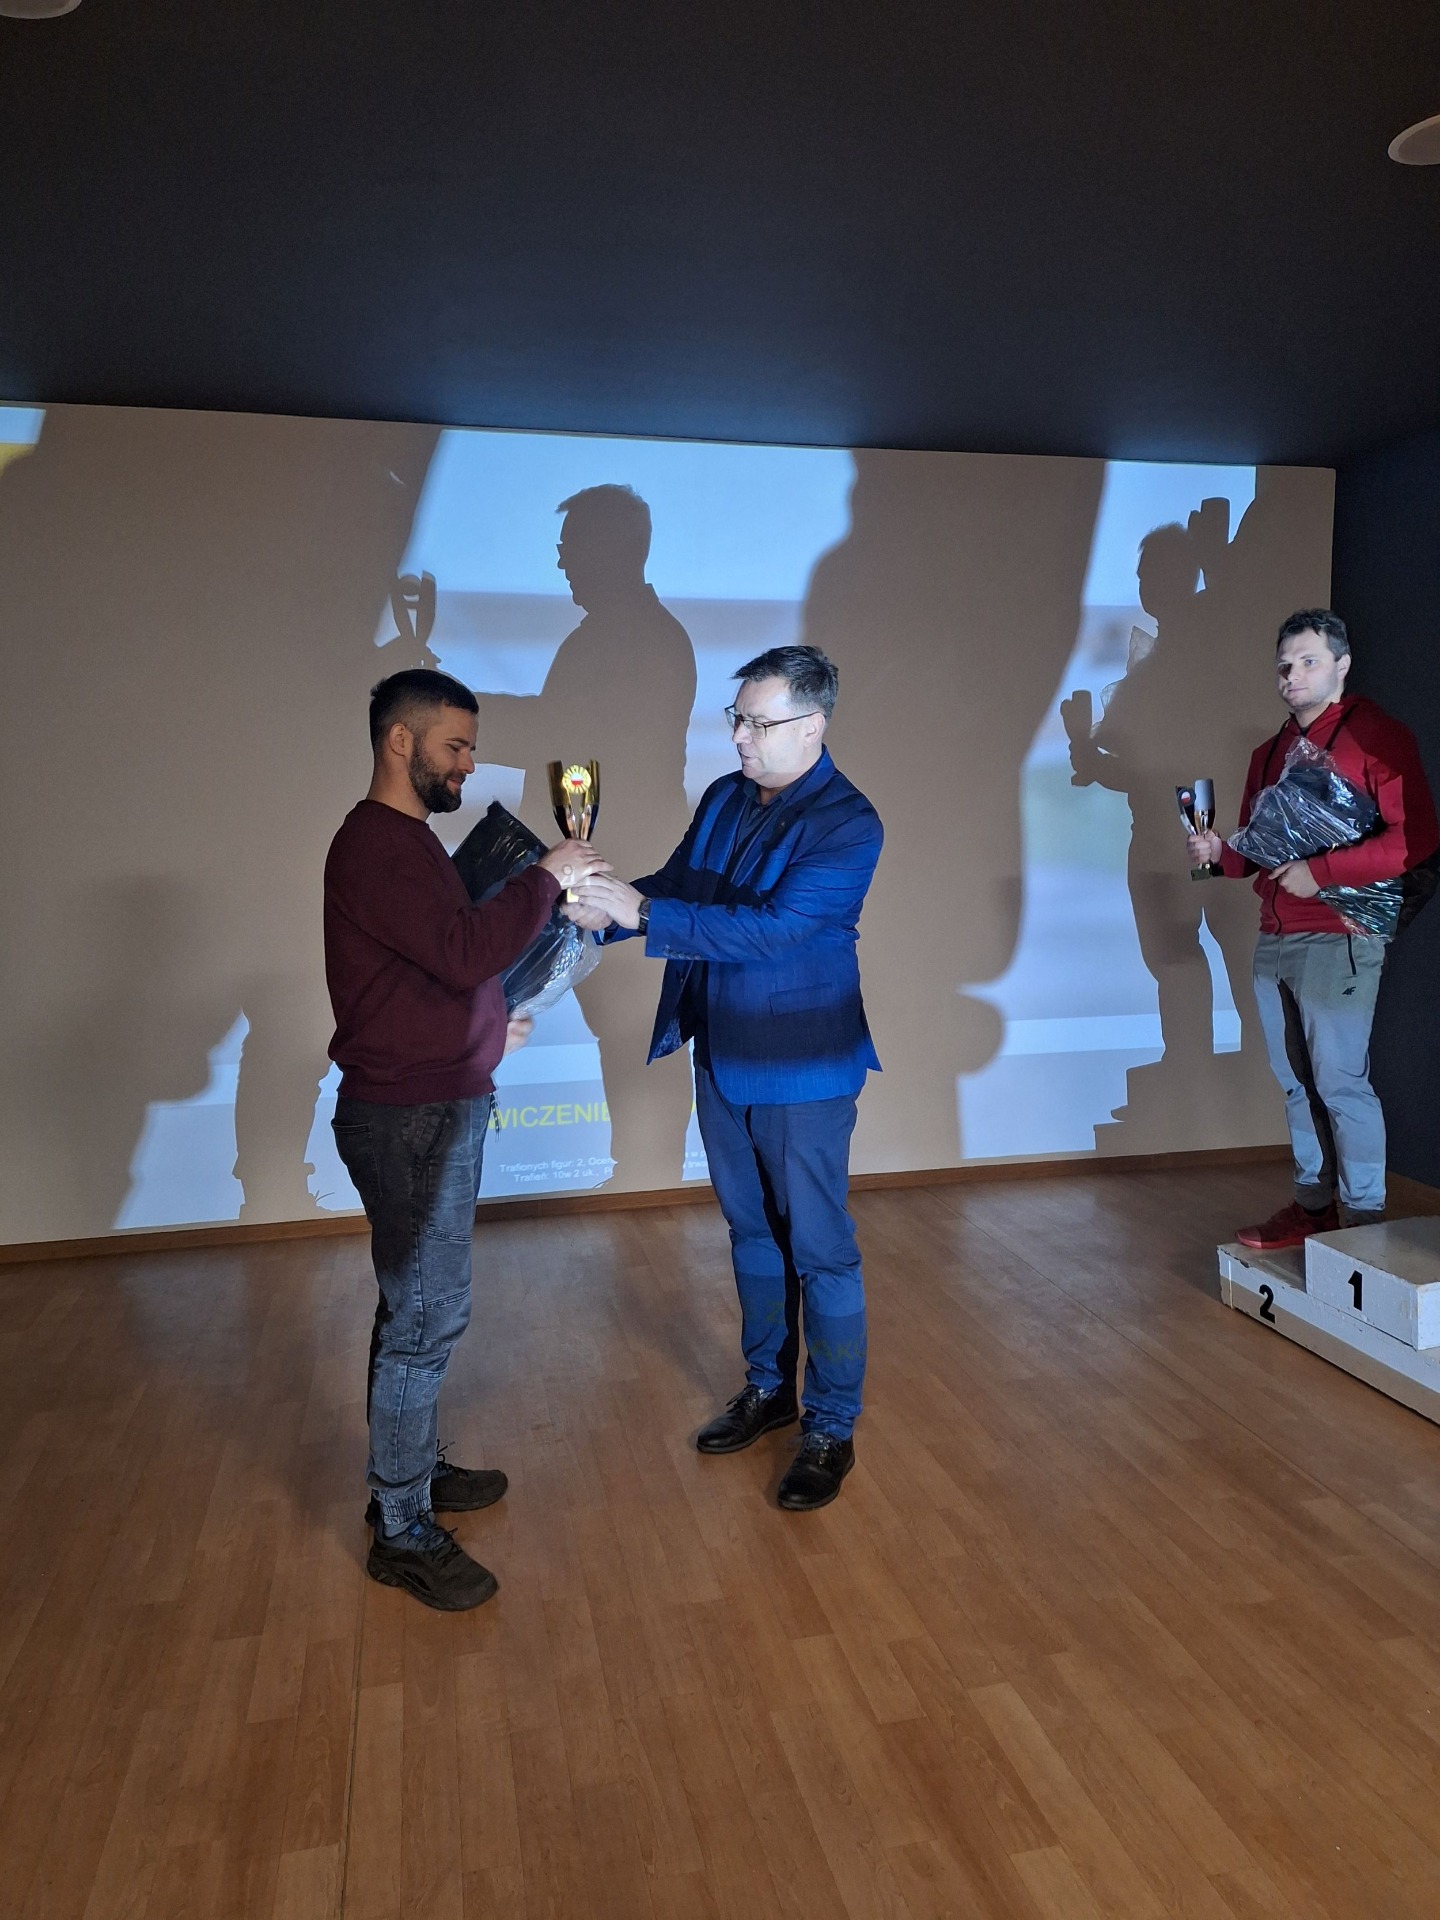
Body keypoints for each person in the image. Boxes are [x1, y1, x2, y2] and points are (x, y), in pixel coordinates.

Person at [569, 645, 883, 1511]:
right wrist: (598, 908)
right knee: (751, 1234)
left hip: (804, 1067)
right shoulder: (723, 797)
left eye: (757, 722)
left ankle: (831, 1425)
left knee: (820, 1250)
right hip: (722, 1050)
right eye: (736, 719)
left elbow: (772, 931)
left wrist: (643, 912)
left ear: (812, 726)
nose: (739, 736)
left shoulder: (849, 823)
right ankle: (768, 1389)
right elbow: (680, 887)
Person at [324, 667, 607, 1608]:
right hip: (411, 1120)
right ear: (399, 741)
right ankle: (403, 1530)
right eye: (455, 747)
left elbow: (432, 975)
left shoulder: (405, 843)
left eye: (471, 749)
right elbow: (462, 952)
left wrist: (488, 1028)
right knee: (424, 1319)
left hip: (428, 1103)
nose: (468, 766)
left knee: (411, 1310)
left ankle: (406, 1477)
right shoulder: (379, 844)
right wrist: (545, 876)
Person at [1187, 611, 1439, 1250]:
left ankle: (1363, 1222)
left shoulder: (1377, 737)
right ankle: (1313, 1207)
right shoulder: (1269, 753)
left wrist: (1321, 872)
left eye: (1308, 661)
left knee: (1340, 1083)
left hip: (1339, 937)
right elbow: (1252, 855)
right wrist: (1218, 853)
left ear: (1341, 665)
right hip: (1273, 940)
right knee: (1297, 1084)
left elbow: (1415, 840)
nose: (1292, 675)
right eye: (1284, 665)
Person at [473, 485, 697, 1189]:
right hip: (598, 875)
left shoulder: (638, 639)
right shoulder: (618, 633)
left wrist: (455, 716)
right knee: (628, 1039)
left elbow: (562, 733)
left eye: (571, 546)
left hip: (624, 880)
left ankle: (650, 1183)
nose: (561, 561)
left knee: (637, 1039)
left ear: (613, 550)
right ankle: (645, 1180)